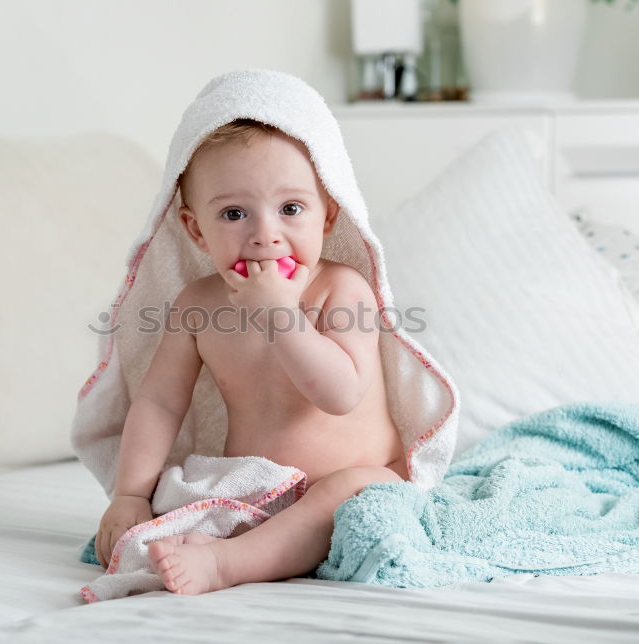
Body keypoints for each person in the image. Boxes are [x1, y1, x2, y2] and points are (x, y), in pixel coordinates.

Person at [94, 117, 409, 595]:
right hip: (260, 492)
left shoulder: (341, 289)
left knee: (348, 490)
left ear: (326, 214)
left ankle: (227, 564)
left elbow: (341, 394)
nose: (266, 235)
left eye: (290, 208)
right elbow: (159, 403)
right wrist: (131, 494)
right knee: (182, 503)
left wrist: (281, 315)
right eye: (234, 214)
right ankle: (238, 541)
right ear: (196, 229)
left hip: (356, 484)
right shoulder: (198, 306)